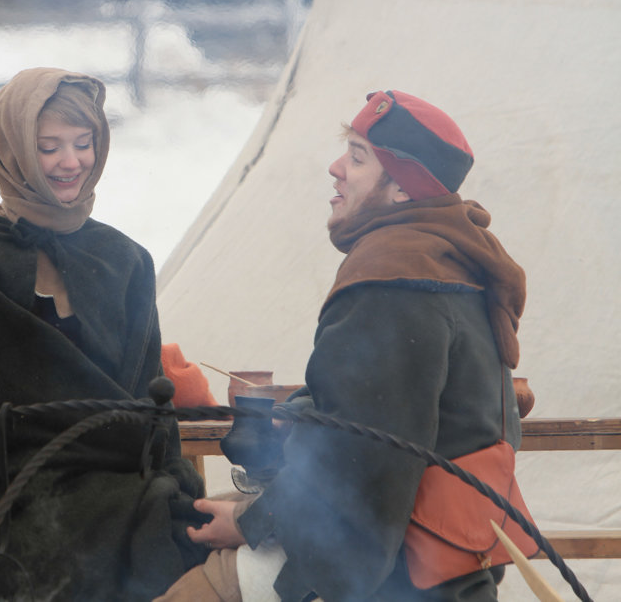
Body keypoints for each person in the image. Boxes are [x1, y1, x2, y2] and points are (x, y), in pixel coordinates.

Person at [157, 90, 529, 601]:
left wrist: (251, 522)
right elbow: (395, 413)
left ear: (402, 189)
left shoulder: (391, 280)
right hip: (447, 562)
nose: (336, 168)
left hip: (389, 574)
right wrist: (308, 415)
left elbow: (361, 462)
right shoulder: (451, 258)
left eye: (357, 158)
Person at [0, 67, 209, 600]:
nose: (71, 162)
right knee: (109, 532)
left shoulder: (124, 260)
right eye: (48, 147)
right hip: (3, 484)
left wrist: (167, 474)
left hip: (116, 471)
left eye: (84, 142)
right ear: (16, 151)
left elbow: (150, 393)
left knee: (175, 519)